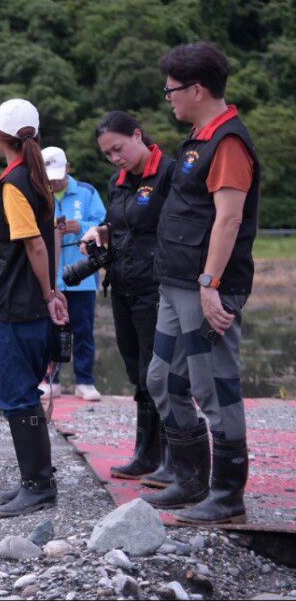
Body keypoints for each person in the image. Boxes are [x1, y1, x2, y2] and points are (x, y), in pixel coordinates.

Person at [143, 43, 260, 525]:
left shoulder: (228, 142)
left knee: (215, 388)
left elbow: (229, 220)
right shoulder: (197, 137)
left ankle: (227, 494)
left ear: (197, 89)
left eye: (171, 89)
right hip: (176, 284)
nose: (166, 97)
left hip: (204, 287)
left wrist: (211, 284)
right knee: (161, 379)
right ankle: (190, 478)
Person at [0, 99, 69, 518]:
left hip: (17, 305)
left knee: (16, 395)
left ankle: (38, 485)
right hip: (27, 303)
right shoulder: (36, 177)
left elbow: (33, 243)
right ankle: (38, 478)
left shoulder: (14, 183)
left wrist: (49, 293)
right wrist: (50, 293)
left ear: (1, 137)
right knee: (25, 393)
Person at [80, 112, 176, 485]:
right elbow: (117, 223)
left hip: (157, 286)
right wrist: (98, 232)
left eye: (118, 148)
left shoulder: (168, 173)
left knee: (160, 373)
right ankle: (146, 453)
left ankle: (173, 456)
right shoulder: (117, 182)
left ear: (137, 136)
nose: (115, 158)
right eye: (107, 154)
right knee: (136, 370)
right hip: (122, 284)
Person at [41, 147, 107, 402]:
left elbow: (104, 225)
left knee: (83, 330)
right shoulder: (39, 192)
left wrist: (82, 227)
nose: (54, 181)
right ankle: (50, 380)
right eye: (50, 176)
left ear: (68, 168)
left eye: (58, 174)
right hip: (50, 275)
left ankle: (85, 381)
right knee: (51, 330)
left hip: (83, 276)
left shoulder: (87, 192)